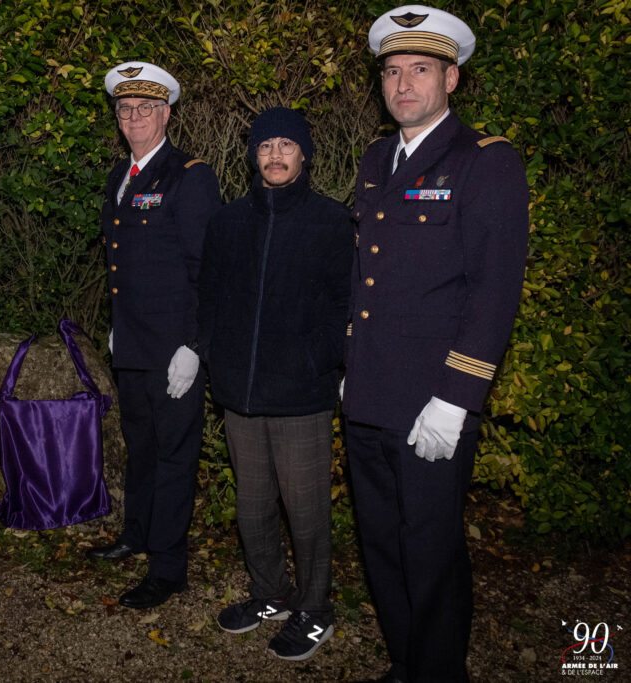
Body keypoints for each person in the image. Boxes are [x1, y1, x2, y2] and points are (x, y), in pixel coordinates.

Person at [343, 6, 529, 681]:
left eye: (420, 69)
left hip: (431, 402)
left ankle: (440, 670)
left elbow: (493, 289)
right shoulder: (374, 159)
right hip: (368, 393)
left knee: (431, 552)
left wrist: (456, 396)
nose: (403, 84)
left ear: (452, 77)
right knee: (382, 547)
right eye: (392, 71)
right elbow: (364, 273)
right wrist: (349, 362)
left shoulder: (485, 162)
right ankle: (407, 662)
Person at [199, 108, 352, 661]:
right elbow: (210, 297)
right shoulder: (228, 221)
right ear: (252, 156)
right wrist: (213, 356)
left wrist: (320, 361)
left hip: (301, 396)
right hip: (240, 393)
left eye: (287, 145)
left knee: (306, 509)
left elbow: (343, 305)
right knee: (253, 505)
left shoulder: (331, 222)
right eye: (265, 147)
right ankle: (270, 593)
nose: (276, 155)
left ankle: (315, 609)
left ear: (304, 154)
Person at [86, 61, 222, 609]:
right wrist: (118, 327)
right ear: (117, 118)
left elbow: (205, 269)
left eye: (146, 109)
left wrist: (193, 344)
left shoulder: (190, 175)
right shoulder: (122, 175)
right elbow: (123, 264)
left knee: (173, 454)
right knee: (139, 447)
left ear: (166, 114)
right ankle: (136, 534)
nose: (135, 118)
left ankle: (168, 566)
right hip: (134, 344)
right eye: (125, 110)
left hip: (174, 351)